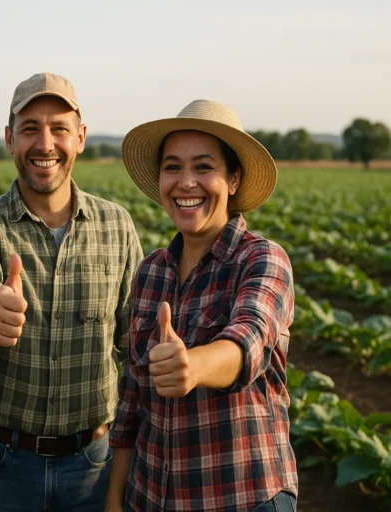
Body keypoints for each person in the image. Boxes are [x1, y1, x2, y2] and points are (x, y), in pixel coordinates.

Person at [0, 72, 143, 511]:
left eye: (59, 129)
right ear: (9, 139)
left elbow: (133, 347)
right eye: (30, 129)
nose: (45, 144)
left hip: (93, 464)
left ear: (81, 137)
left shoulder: (117, 225)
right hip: (2, 464)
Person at [106, 99, 297, 512]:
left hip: (240, 496)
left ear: (233, 179)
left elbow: (249, 341)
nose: (186, 182)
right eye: (173, 167)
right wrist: (114, 497)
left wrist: (192, 366)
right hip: (150, 496)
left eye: (204, 167)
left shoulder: (262, 259)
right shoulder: (151, 271)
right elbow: (132, 400)